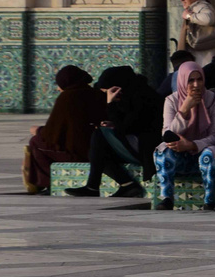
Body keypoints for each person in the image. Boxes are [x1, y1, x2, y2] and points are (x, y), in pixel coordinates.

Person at [64, 67, 163, 199]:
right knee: (97, 150)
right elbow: (125, 124)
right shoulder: (130, 95)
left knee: (99, 136)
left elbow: (126, 127)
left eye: (109, 92)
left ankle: (93, 187)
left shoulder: (143, 97)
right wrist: (113, 124)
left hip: (147, 149)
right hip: (135, 144)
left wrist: (110, 104)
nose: (108, 96)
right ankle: (127, 185)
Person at [153, 61, 215, 211]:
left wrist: (193, 145)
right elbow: (167, 134)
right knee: (162, 151)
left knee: (210, 152)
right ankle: (167, 198)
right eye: (191, 80)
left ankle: (209, 200)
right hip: (179, 154)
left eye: (199, 79)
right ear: (182, 80)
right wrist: (184, 109)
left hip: (202, 152)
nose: (196, 85)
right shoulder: (171, 100)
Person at [22, 66, 105, 193]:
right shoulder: (97, 94)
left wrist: (38, 130)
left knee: (36, 142)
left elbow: (50, 134)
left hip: (78, 154)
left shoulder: (67, 97)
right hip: (97, 151)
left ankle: (49, 183)